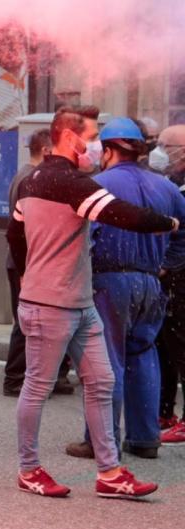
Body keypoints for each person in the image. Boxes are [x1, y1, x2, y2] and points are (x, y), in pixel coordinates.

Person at [6, 106, 175, 499]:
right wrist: (170, 224)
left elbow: (14, 237)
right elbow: (124, 215)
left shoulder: (31, 182)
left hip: (77, 303)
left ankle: (110, 472)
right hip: (52, 305)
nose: (97, 146)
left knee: (101, 382)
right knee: (37, 387)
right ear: (70, 137)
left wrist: (35, 270)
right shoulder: (73, 184)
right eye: (93, 136)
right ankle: (29, 469)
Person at [59, 118, 185, 461]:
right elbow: (182, 236)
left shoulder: (97, 185)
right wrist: (163, 264)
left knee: (104, 363)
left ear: (111, 149)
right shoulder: (168, 188)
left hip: (108, 282)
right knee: (143, 356)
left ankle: (100, 441)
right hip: (150, 282)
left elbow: (83, 241)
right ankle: (145, 439)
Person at [2, 129, 74, 397]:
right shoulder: (31, 178)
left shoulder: (25, 175)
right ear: (46, 150)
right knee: (27, 323)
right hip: (27, 262)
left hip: (28, 261)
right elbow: (23, 229)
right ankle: (15, 379)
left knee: (34, 322)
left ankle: (43, 377)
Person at [152, 124, 185, 443]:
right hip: (171, 283)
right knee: (167, 347)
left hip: (180, 280)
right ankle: (164, 412)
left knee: (182, 349)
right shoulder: (173, 182)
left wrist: (165, 267)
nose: (159, 150)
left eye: (165, 145)